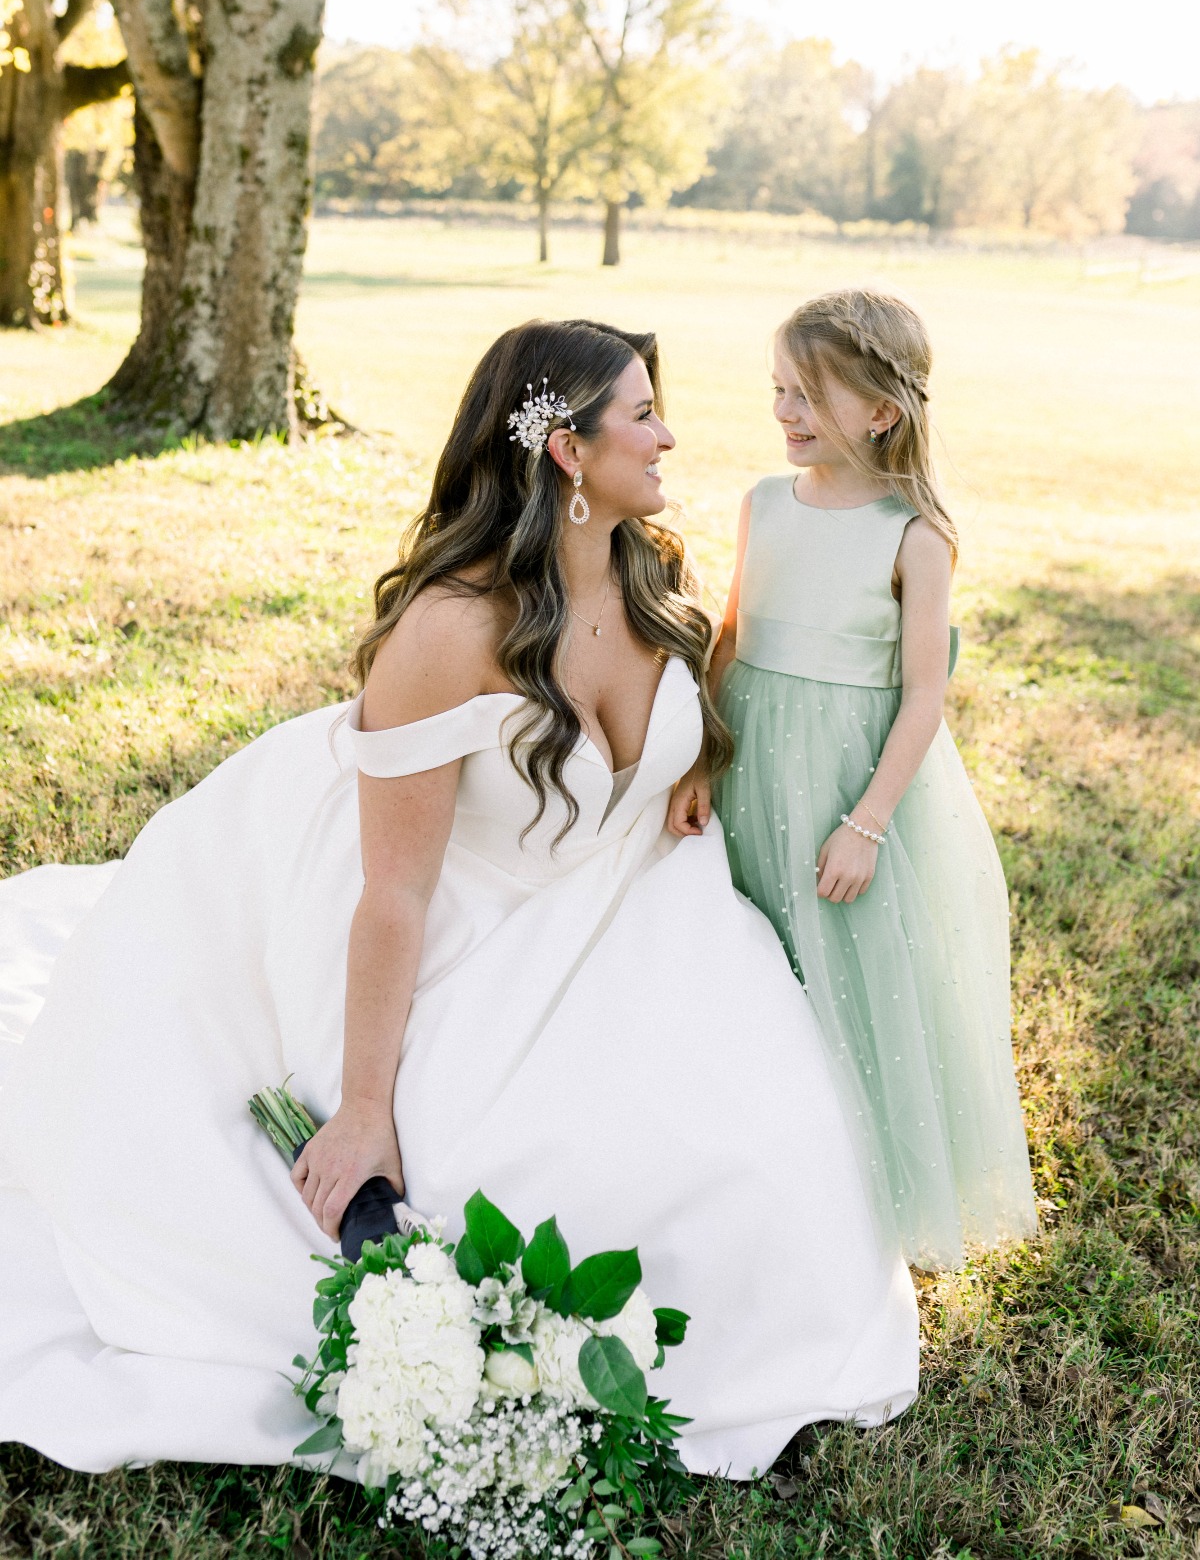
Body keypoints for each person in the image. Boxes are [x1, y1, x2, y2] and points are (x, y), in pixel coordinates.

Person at [0, 317, 917, 1483]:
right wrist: (363, 1107)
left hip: (642, 908)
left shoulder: (652, 572)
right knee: (524, 1160)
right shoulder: (450, 630)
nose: (669, 433)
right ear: (568, 451)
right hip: (463, 915)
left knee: (783, 1136)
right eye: (641, 412)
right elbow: (393, 893)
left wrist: (690, 761)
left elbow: (704, 693)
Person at [668, 290, 1038, 1272]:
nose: (785, 413)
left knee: (852, 980)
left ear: (881, 411)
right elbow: (735, 636)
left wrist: (867, 822)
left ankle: (862, 1199)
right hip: (756, 763)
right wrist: (703, 759)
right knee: (763, 960)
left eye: (809, 395)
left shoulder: (912, 535)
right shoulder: (762, 504)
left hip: (848, 785)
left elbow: (924, 697)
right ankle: (759, 1171)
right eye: (779, 391)